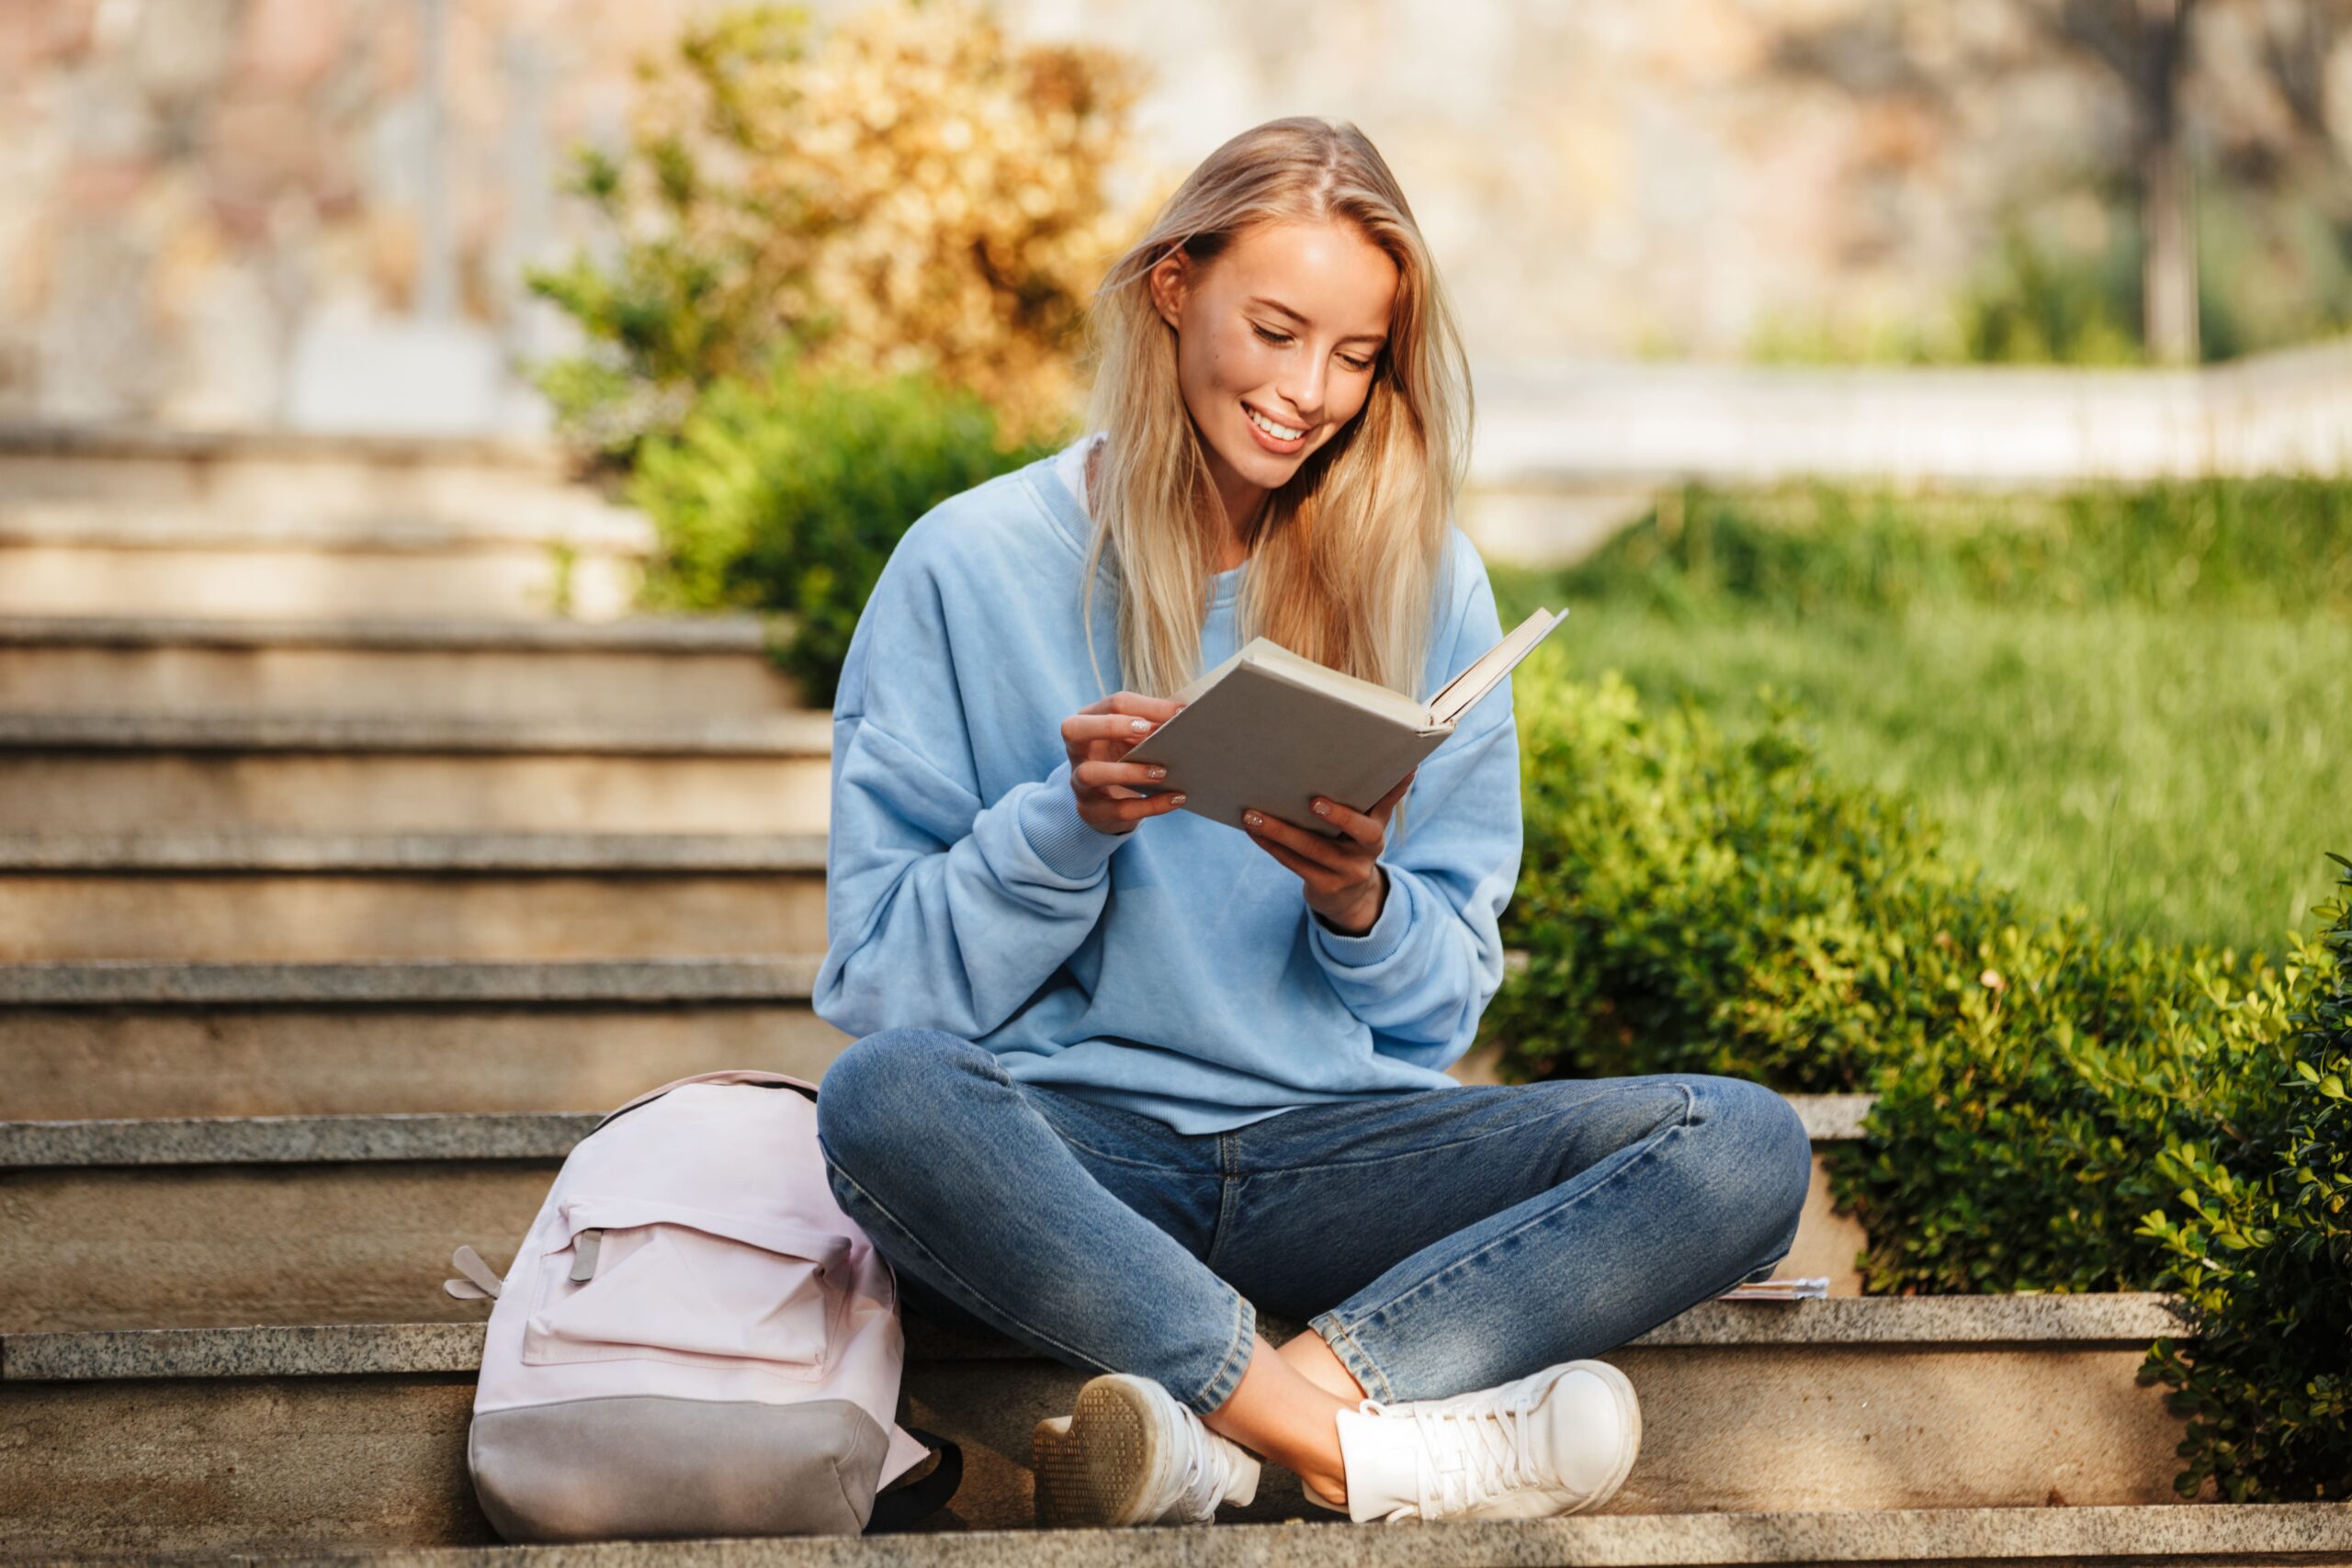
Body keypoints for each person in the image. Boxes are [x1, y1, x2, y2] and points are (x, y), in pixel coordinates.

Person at [810, 116, 1812, 1529]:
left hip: (1344, 1152)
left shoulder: (1424, 578)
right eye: (1275, 331)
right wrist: (1064, 827)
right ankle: (1359, 1454)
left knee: (1745, 1146)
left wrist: (1362, 902)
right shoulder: (964, 567)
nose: (1307, 394)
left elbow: (1441, 1008)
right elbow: (882, 986)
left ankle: (1248, 1439)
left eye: (1355, 358)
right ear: (1173, 286)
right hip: (1073, 1159)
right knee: (883, 1103)